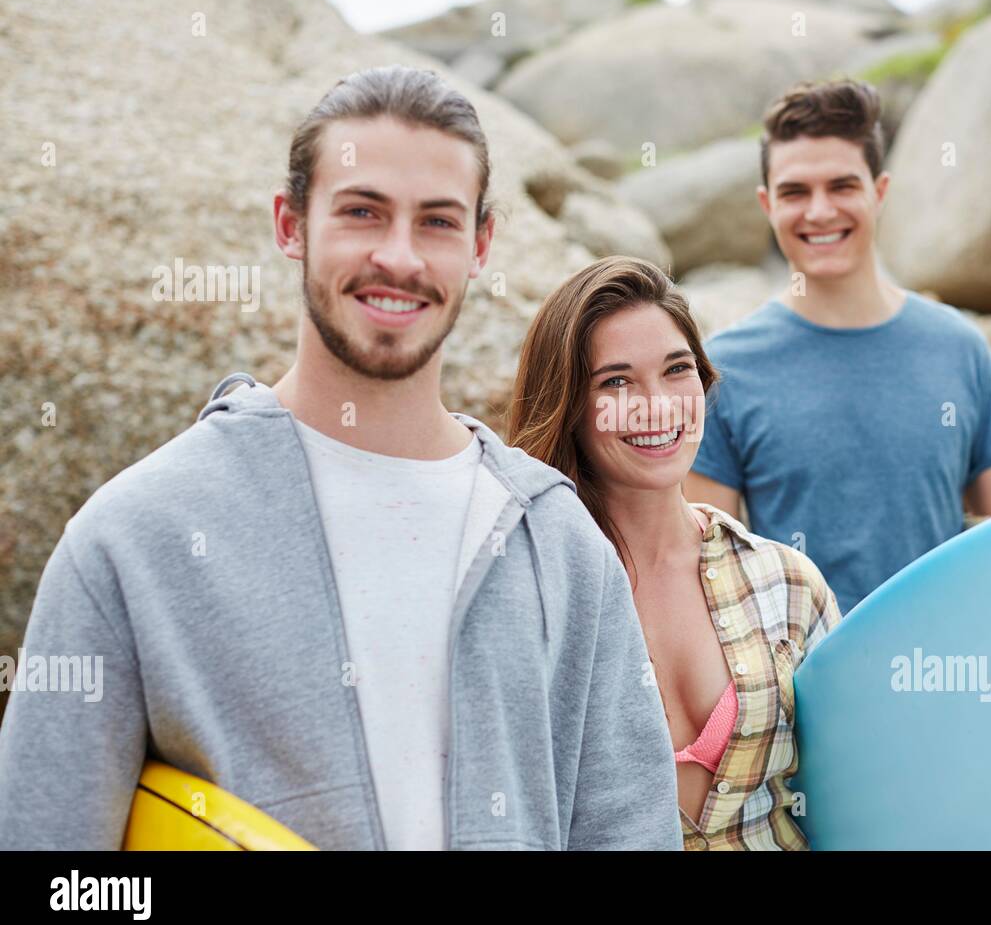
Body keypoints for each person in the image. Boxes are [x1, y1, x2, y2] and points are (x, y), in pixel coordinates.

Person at [0, 66, 682, 851]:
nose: (399, 257)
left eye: (436, 222)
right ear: (291, 224)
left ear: (481, 245)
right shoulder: (130, 541)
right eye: (363, 212)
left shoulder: (558, 542)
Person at [509, 255, 840, 850]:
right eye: (615, 381)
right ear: (570, 407)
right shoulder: (533, 592)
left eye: (676, 369)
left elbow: (851, 797)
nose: (656, 404)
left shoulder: (787, 581)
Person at [685, 78, 991, 615]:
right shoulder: (724, 369)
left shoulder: (958, 347)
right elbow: (709, 580)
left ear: (880, 191)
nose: (819, 212)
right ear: (766, 203)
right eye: (795, 192)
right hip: (809, 685)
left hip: (945, 670)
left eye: (842, 186)